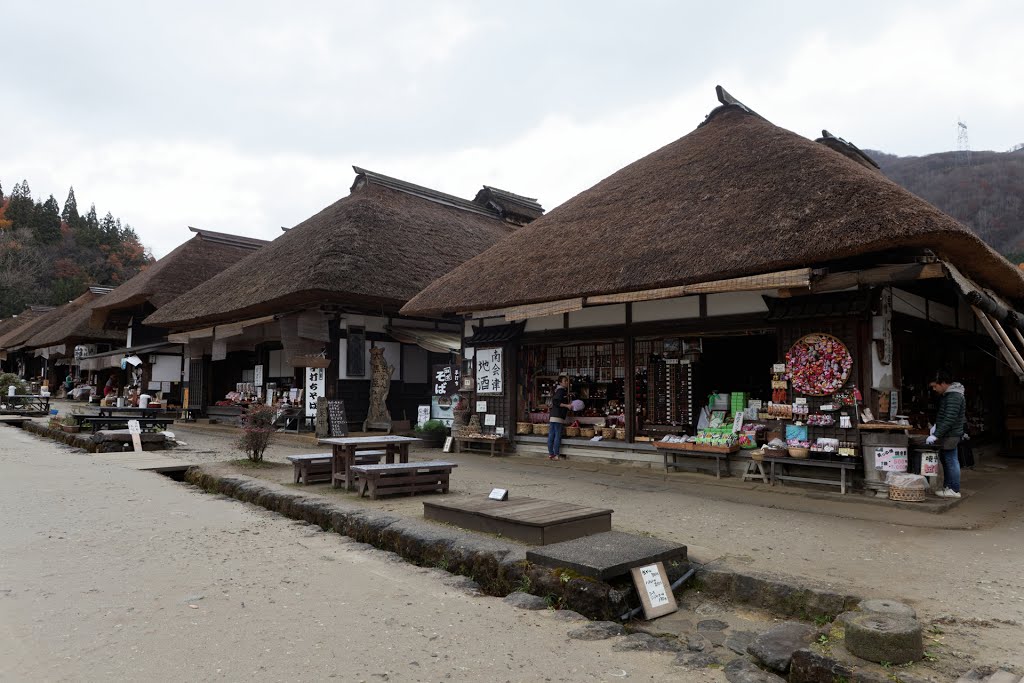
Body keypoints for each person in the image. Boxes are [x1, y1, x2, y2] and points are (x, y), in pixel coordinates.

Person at [926, 369, 966, 499]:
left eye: (934, 386)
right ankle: (949, 487)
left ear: (942, 383)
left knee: (951, 460)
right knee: (949, 460)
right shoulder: (950, 395)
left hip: (951, 434)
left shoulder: (954, 396)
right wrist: (937, 427)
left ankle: (954, 489)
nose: (934, 389)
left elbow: (950, 418)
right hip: (950, 433)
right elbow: (947, 416)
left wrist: (936, 434)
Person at [547, 375, 572, 460]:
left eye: (567, 381)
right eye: (565, 381)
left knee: (551, 435)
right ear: (560, 382)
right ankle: (556, 454)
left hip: (553, 415)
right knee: (557, 435)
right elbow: (556, 402)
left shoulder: (558, 390)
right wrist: (567, 405)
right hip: (558, 416)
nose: (567, 382)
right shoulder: (561, 390)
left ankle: (551, 454)